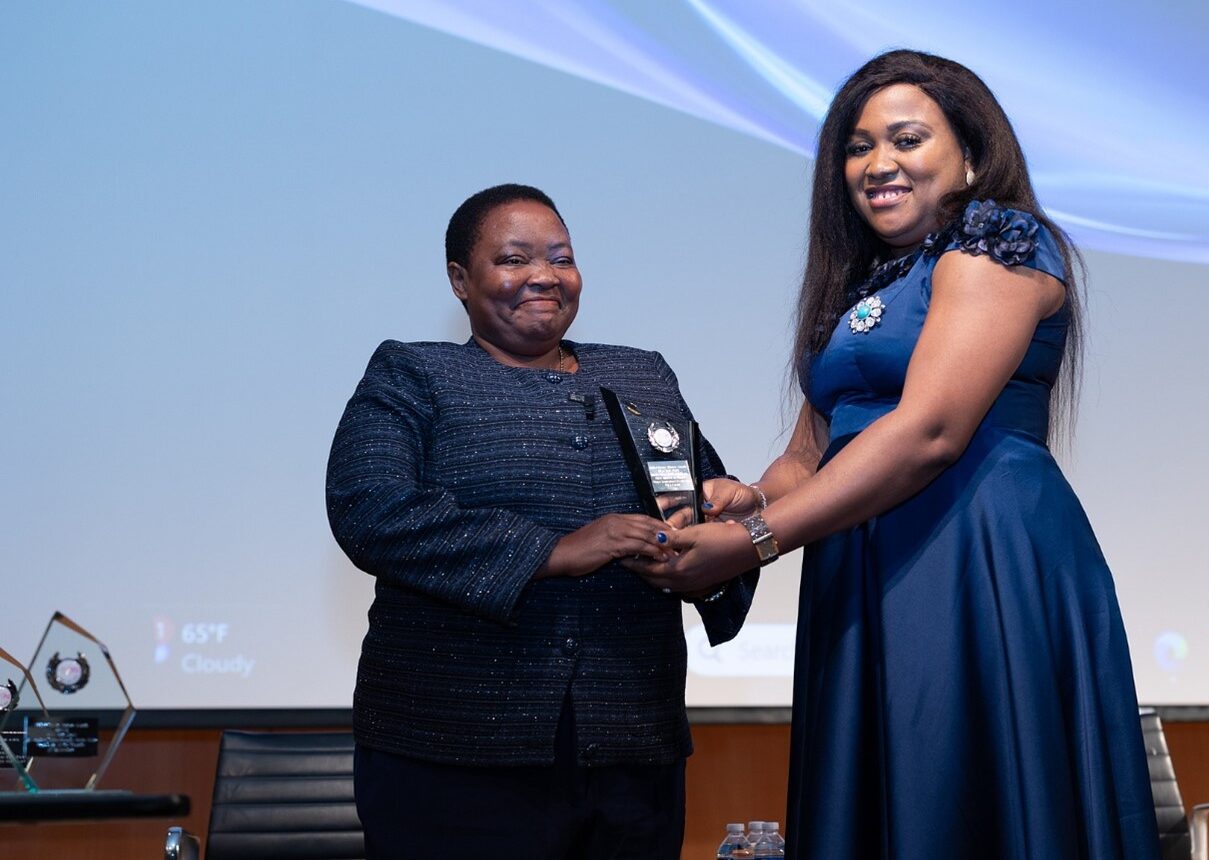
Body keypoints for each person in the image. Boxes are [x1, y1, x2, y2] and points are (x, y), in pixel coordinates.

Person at [636, 51, 1160, 858]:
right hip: (863, 559)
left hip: (974, 556)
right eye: (858, 147)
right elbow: (811, 453)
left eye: (906, 139)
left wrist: (753, 542)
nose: (877, 163)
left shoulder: (999, 244)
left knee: (966, 798)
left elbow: (928, 432)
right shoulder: (866, 284)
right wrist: (748, 501)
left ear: (972, 155)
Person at [326, 183, 757, 859]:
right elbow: (370, 509)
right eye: (514, 259)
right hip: (452, 754)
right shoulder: (414, 373)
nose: (544, 276)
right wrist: (553, 551)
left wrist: (720, 524)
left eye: (561, 258)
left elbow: (692, 507)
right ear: (460, 280)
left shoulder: (641, 375)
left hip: (630, 747)